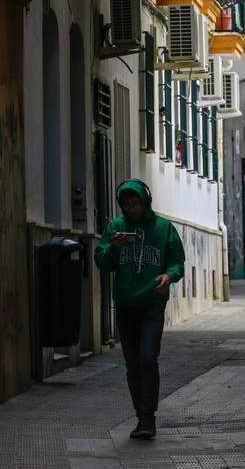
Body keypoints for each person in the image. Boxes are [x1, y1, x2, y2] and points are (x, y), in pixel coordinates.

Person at [93, 179, 185, 441]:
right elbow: (102, 262)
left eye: (136, 204)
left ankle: (148, 418)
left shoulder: (163, 228)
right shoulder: (115, 227)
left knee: (147, 357)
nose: (132, 209)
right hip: (125, 304)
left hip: (152, 303)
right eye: (127, 205)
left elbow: (177, 261)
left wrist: (168, 276)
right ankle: (140, 415)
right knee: (133, 364)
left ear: (146, 202)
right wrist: (114, 247)